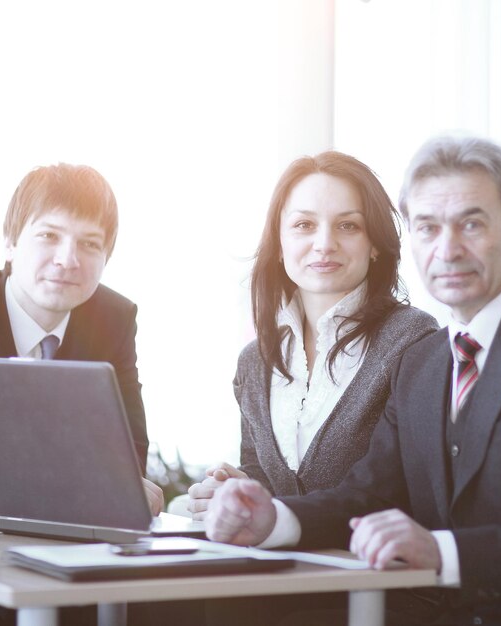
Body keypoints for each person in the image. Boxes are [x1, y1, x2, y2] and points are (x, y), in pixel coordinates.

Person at [205, 136, 501, 626]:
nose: (447, 248)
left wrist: (442, 552)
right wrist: (273, 519)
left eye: (471, 223)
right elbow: (369, 494)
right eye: (427, 227)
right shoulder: (425, 361)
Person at [186, 150, 438, 516]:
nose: (324, 244)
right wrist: (237, 492)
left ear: (374, 246)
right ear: (279, 243)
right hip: (281, 570)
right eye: (304, 225)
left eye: (348, 225)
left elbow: (393, 488)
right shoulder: (255, 362)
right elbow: (269, 486)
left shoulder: (412, 339)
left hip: (377, 569)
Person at [0, 164, 163, 626]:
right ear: (10, 243)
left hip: (65, 551)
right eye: (49, 236)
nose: (68, 259)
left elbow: (129, 448)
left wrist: (130, 488)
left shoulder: (113, 316)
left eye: (90, 244)